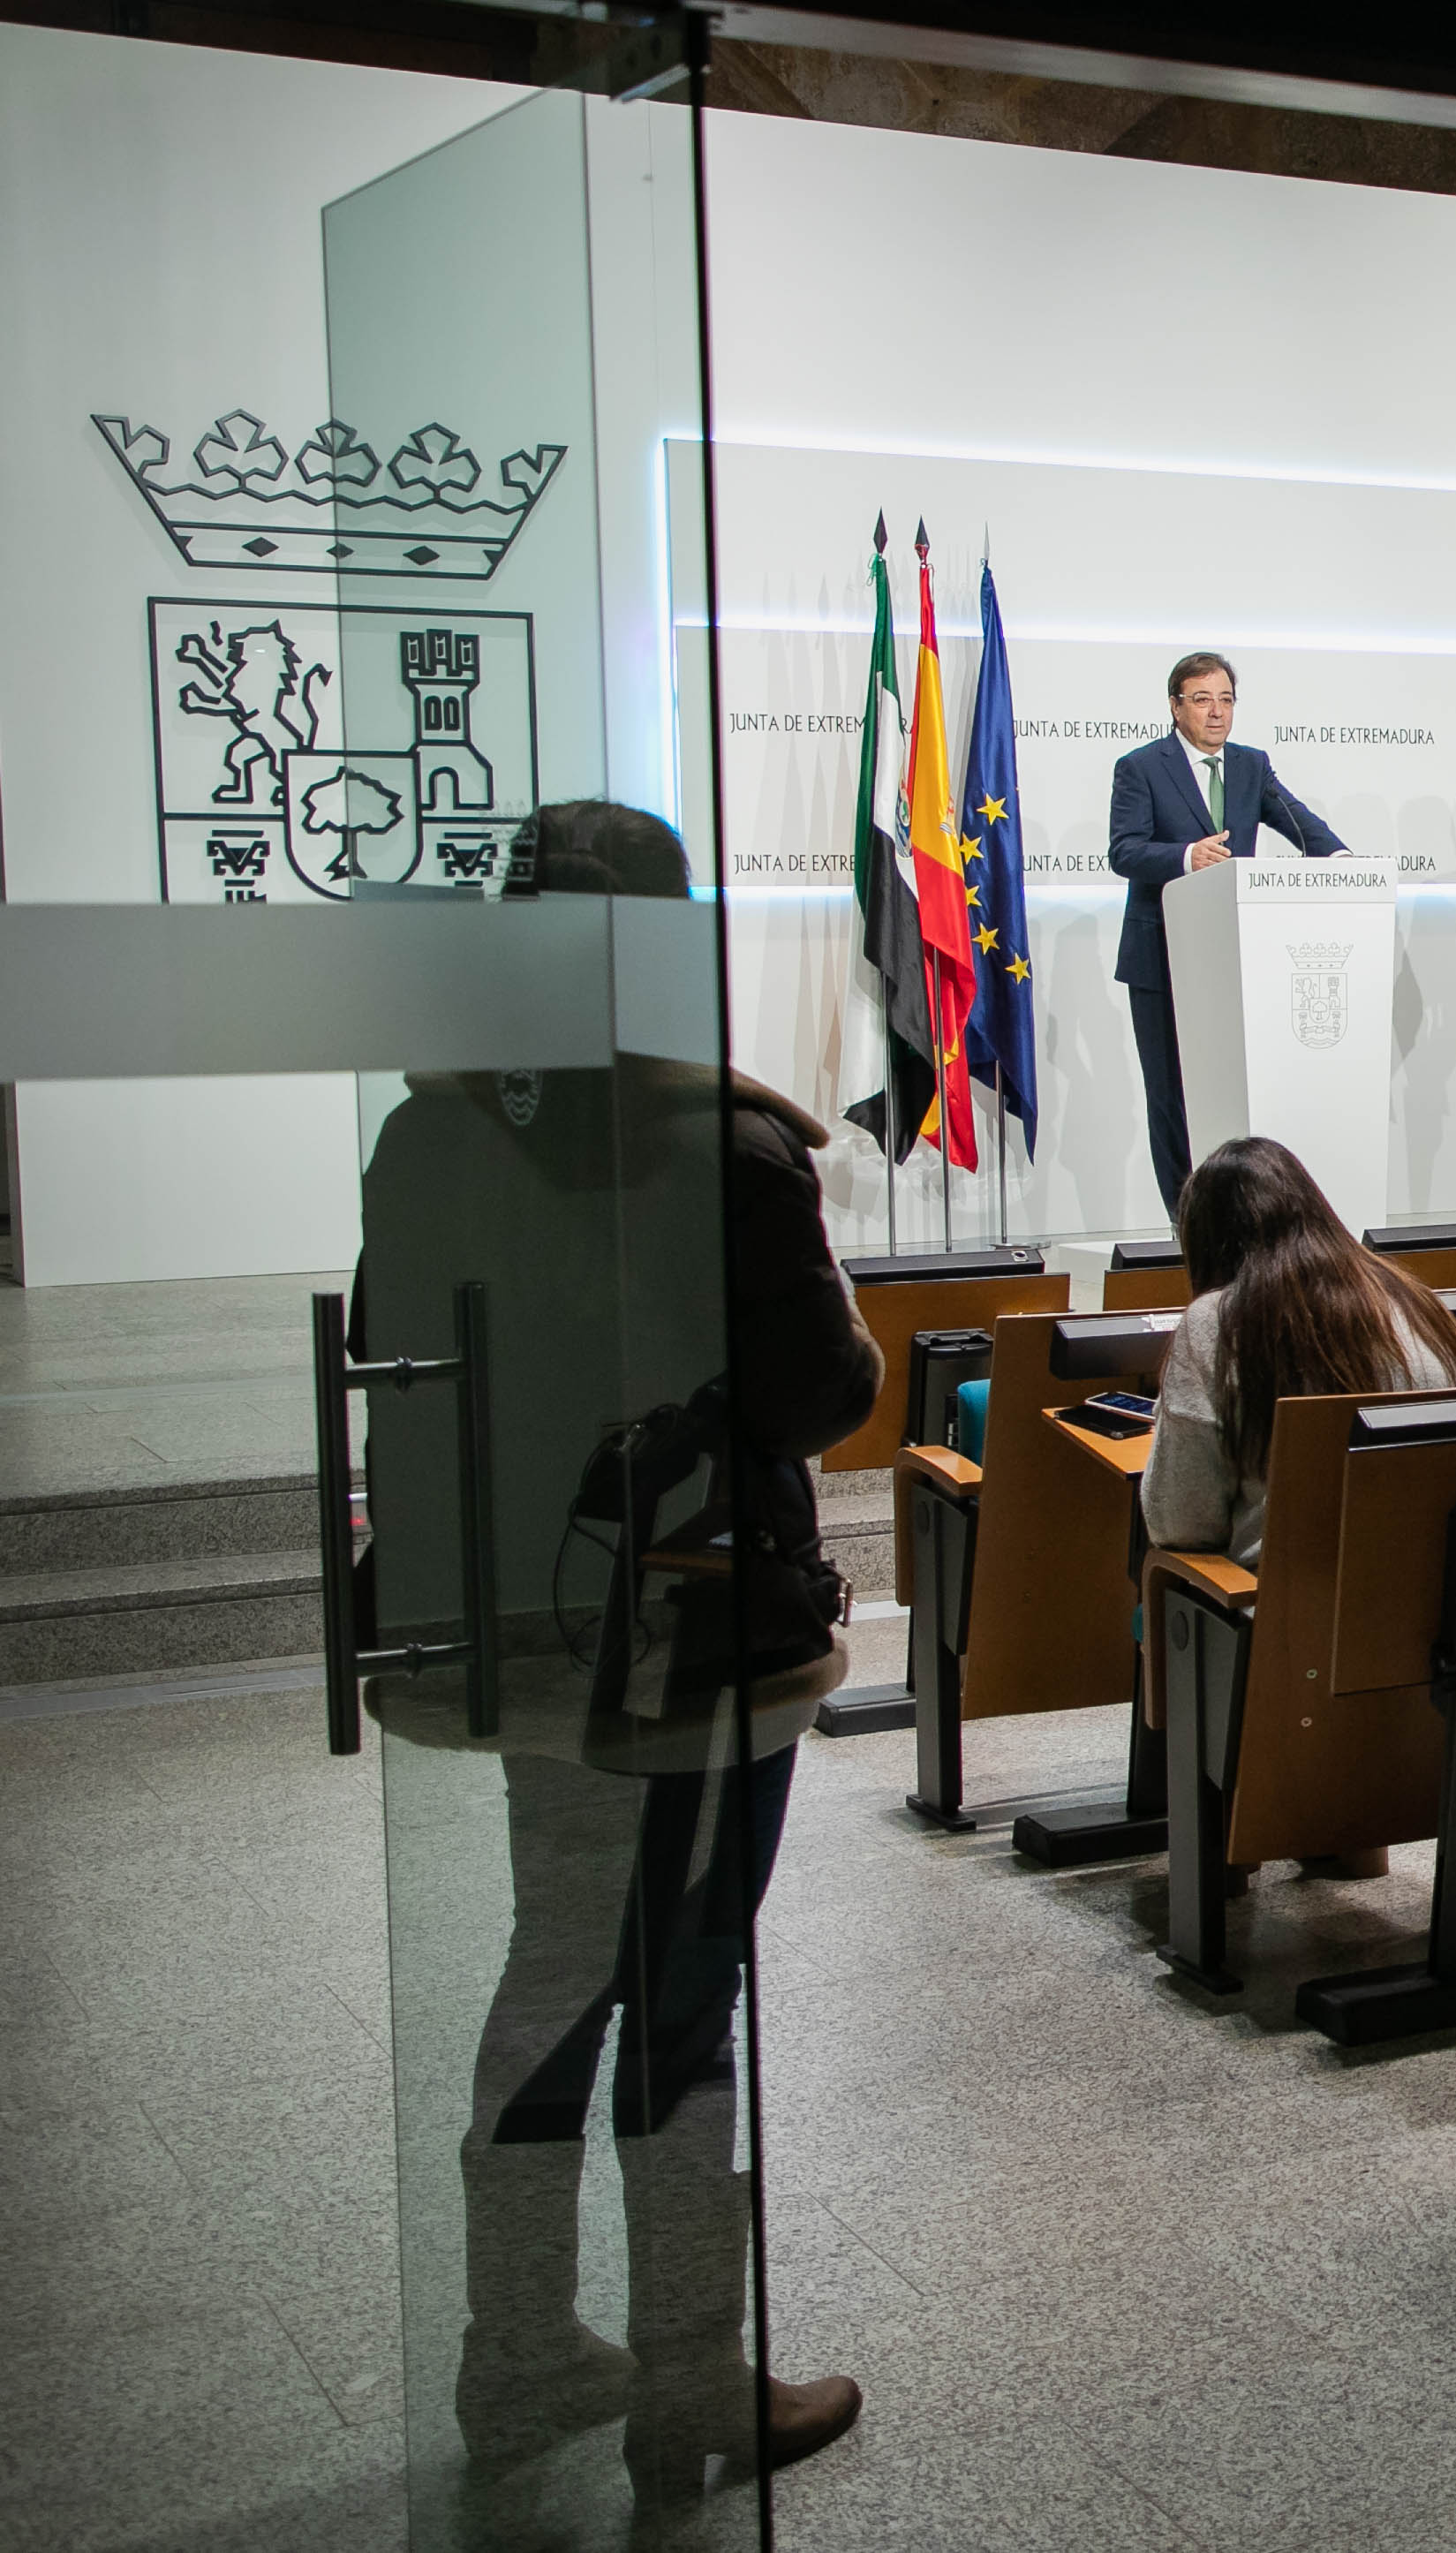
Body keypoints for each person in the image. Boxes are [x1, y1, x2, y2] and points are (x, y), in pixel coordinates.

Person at [357, 801, 873, 2509]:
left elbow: (397, 1353)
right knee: (689, 1988)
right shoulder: (728, 1148)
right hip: (705, 1640)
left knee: (550, 1962)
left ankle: (514, 2344)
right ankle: (690, 2377)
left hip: (522, 1624)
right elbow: (821, 1393)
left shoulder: (430, 1142)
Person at [1143, 1135, 1456, 1569]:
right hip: (1430, 1595)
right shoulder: (1415, 1300)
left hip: (1281, 1614)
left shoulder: (1215, 1321)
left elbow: (1181, 1524)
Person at [1107, 652, 1349, 1217]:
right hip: (1161, 957)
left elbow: (1293, 817)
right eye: (1202, 700)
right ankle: (1181, 1219)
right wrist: (1188, 856)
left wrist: (1338, 857)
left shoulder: (1250, 764)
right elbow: (1124, 851)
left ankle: (1236, 1218)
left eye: (1225, 700)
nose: (1216, 713)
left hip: (1234, 957)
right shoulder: (1141, 766)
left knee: (1228, 1094)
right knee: (1171, 1096)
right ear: (1175, 706)